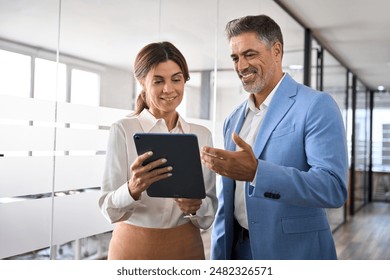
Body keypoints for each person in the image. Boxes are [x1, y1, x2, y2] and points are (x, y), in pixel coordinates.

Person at [201, 15, 348, 260]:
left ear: (276, 50)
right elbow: (227, 204)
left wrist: (257, 172)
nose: (241, 66)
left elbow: (332, 187)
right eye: (235, 57)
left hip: (293, 252)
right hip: (237, 251)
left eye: (250, 54)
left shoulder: (315, 105)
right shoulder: (232, 119)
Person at [99, 41, 217, 260]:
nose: (169, 89)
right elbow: (108, 210)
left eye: (176, 79)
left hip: (186, 249)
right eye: (158, 81)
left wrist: (196, 206)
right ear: (142, 82)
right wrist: (132, 188)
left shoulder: (202, 135)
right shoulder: (123, 130)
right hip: (132, 249)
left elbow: (208, 217)